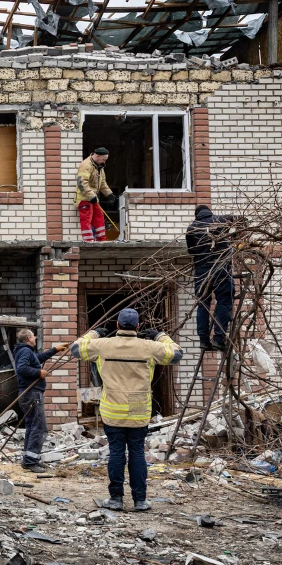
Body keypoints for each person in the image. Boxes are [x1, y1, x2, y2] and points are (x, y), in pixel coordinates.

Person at [70, 308, 183, 511]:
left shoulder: (104, 346)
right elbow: (176, 355)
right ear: (138, 327)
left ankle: (116, 499)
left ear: (118, 326)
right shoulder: (148, 347)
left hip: (112, 408)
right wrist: (160, 336)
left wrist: (95, 333)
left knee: (116, 453)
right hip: (139, 408)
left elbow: (76, 349)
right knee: (137, 452)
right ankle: (140, 500)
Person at [185, 205, 243, 351]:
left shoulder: (191, 229)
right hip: (221, 270)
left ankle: (204, 341)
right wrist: (234, 238)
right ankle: (218, 339)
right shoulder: (221, 220)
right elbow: (242, 220)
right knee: (224, 302)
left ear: (196, 215)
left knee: (203, 305)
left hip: (202, 273)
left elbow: (191, 251)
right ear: (210, 212)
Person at [13, 328, 69, 471]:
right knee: (39, 427)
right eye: (33, 336)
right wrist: (39, 372)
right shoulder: (25, 351)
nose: (35, 338)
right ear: (27, 339)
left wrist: (55, 349)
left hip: (30, 393)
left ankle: (30, 459)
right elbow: (22, 369)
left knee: (32, 426)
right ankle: (31, 461)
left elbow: (38, 358)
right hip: (31, 393)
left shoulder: (25, 350)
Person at [75, 147, 114, 242]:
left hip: (92, 198)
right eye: (103, 159)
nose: (104, 162)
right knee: (86, 220)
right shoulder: (86, 165)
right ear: (97, 156)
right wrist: (91, 196)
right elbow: (82, 183)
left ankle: (102, 240)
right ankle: (89, 242)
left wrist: (109, 194)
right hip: (84, 199)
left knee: (99, 217)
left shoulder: (99, 167)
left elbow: (102, 182)